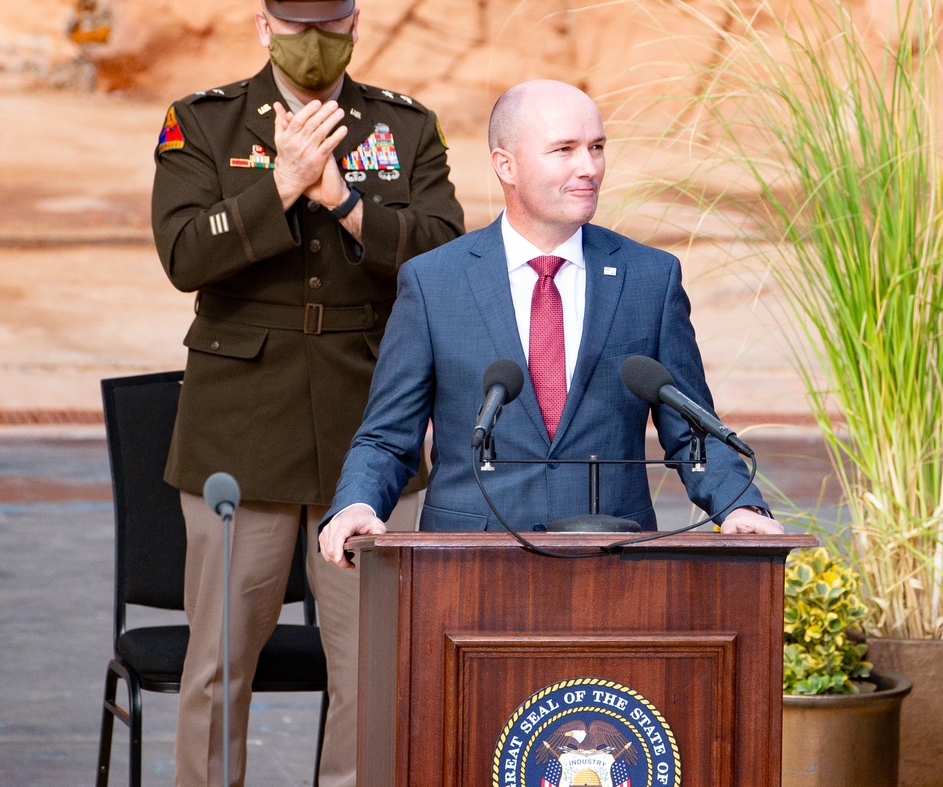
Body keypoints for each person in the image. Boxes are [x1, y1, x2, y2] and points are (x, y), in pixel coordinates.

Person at [152, 0, 464, 787]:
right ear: (262, 24)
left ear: (355, 23)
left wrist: (343, 200)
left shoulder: (400, 129)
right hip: (238, 432)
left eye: (331, 21)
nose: (314, 38)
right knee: (219, 664)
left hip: (362, 435)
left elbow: (445, 251)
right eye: (296, 21)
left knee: (367, 668)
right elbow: (181, 252)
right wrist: (279, 186)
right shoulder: (203, 124)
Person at [320, 78, 782, 569]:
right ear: (506, 165)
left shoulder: (650, 277)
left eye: (597, 147)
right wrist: (358, 503)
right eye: (564, 149)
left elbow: (691, 431)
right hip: (466, 568)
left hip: (614, 562)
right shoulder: (434, 282)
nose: (589, 168)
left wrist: (739, 504)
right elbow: (388, 435)